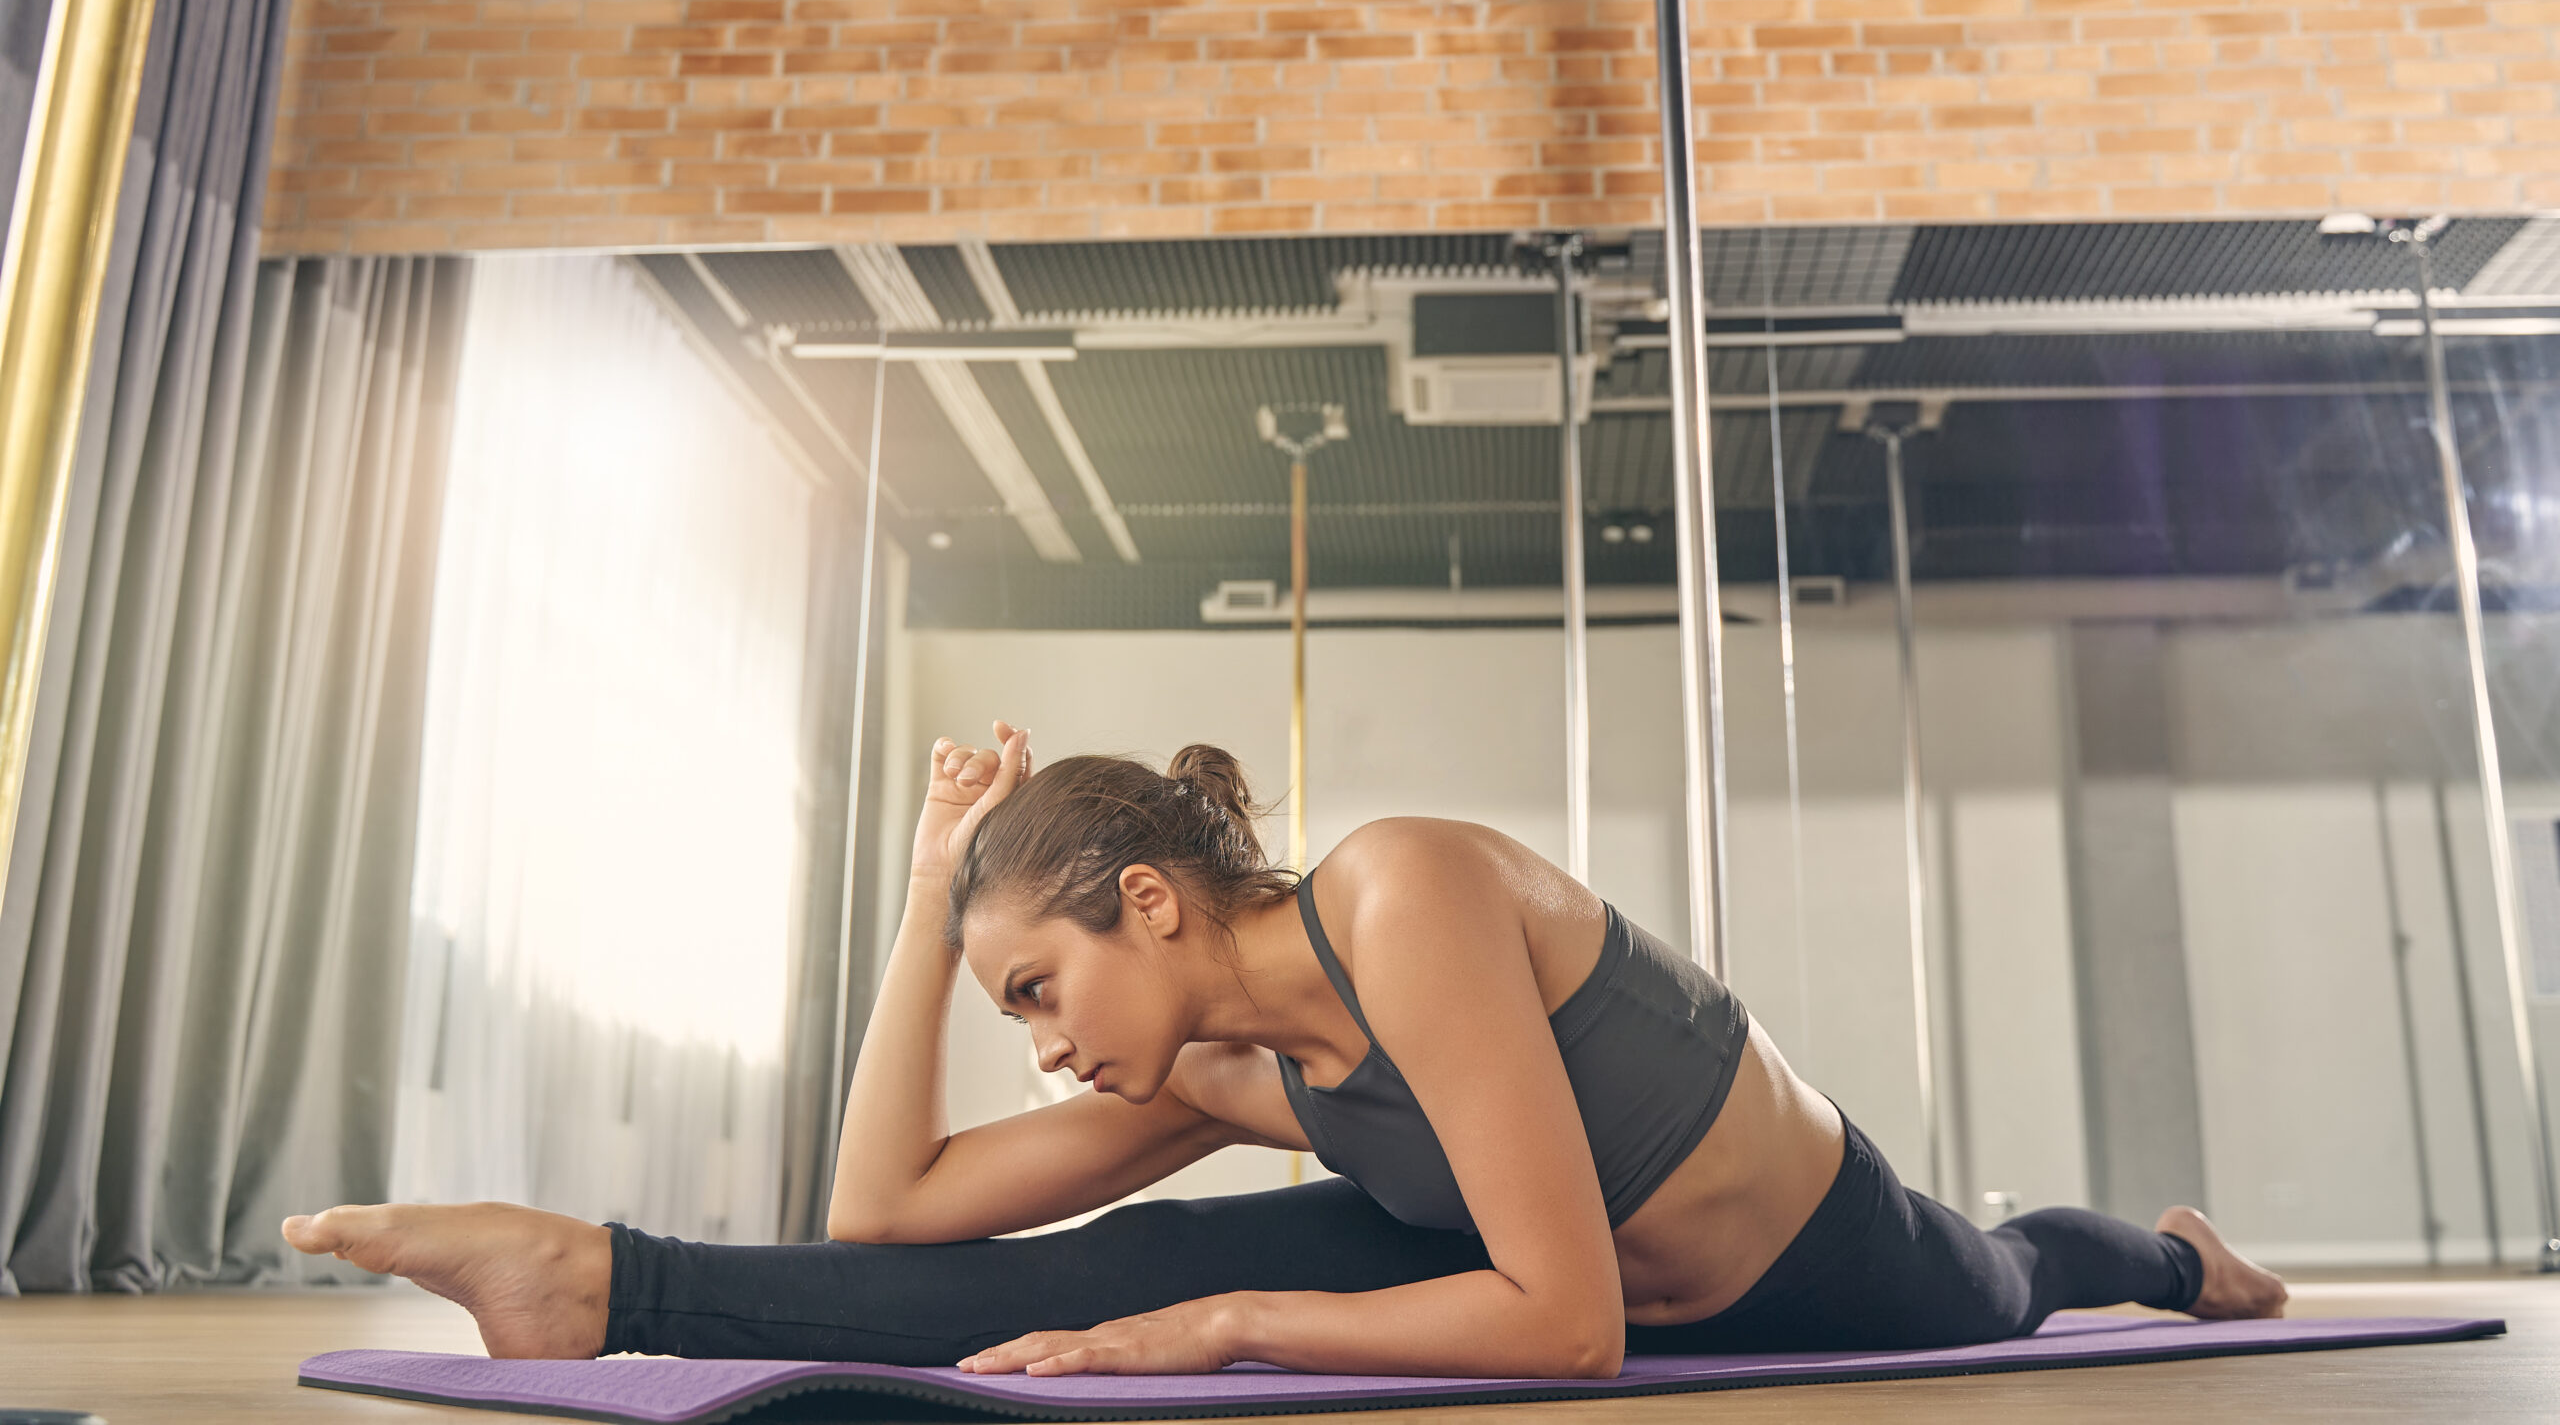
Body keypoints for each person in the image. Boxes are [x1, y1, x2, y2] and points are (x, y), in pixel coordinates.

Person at [285, 722, 2285, 1378]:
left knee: (2017, 1271)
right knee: (1101, 1269)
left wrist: (1228, 1322)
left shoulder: (1401, 892)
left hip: (1816, 1254)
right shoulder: (1220, 1068)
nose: (1043, 1047)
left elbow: (1568, 1325)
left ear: (1150, 904)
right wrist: (923, 902)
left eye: (1034, 990)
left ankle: (2175, 1254)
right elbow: (889, 1215)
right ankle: (599, 1284)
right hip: (1537, 1265)